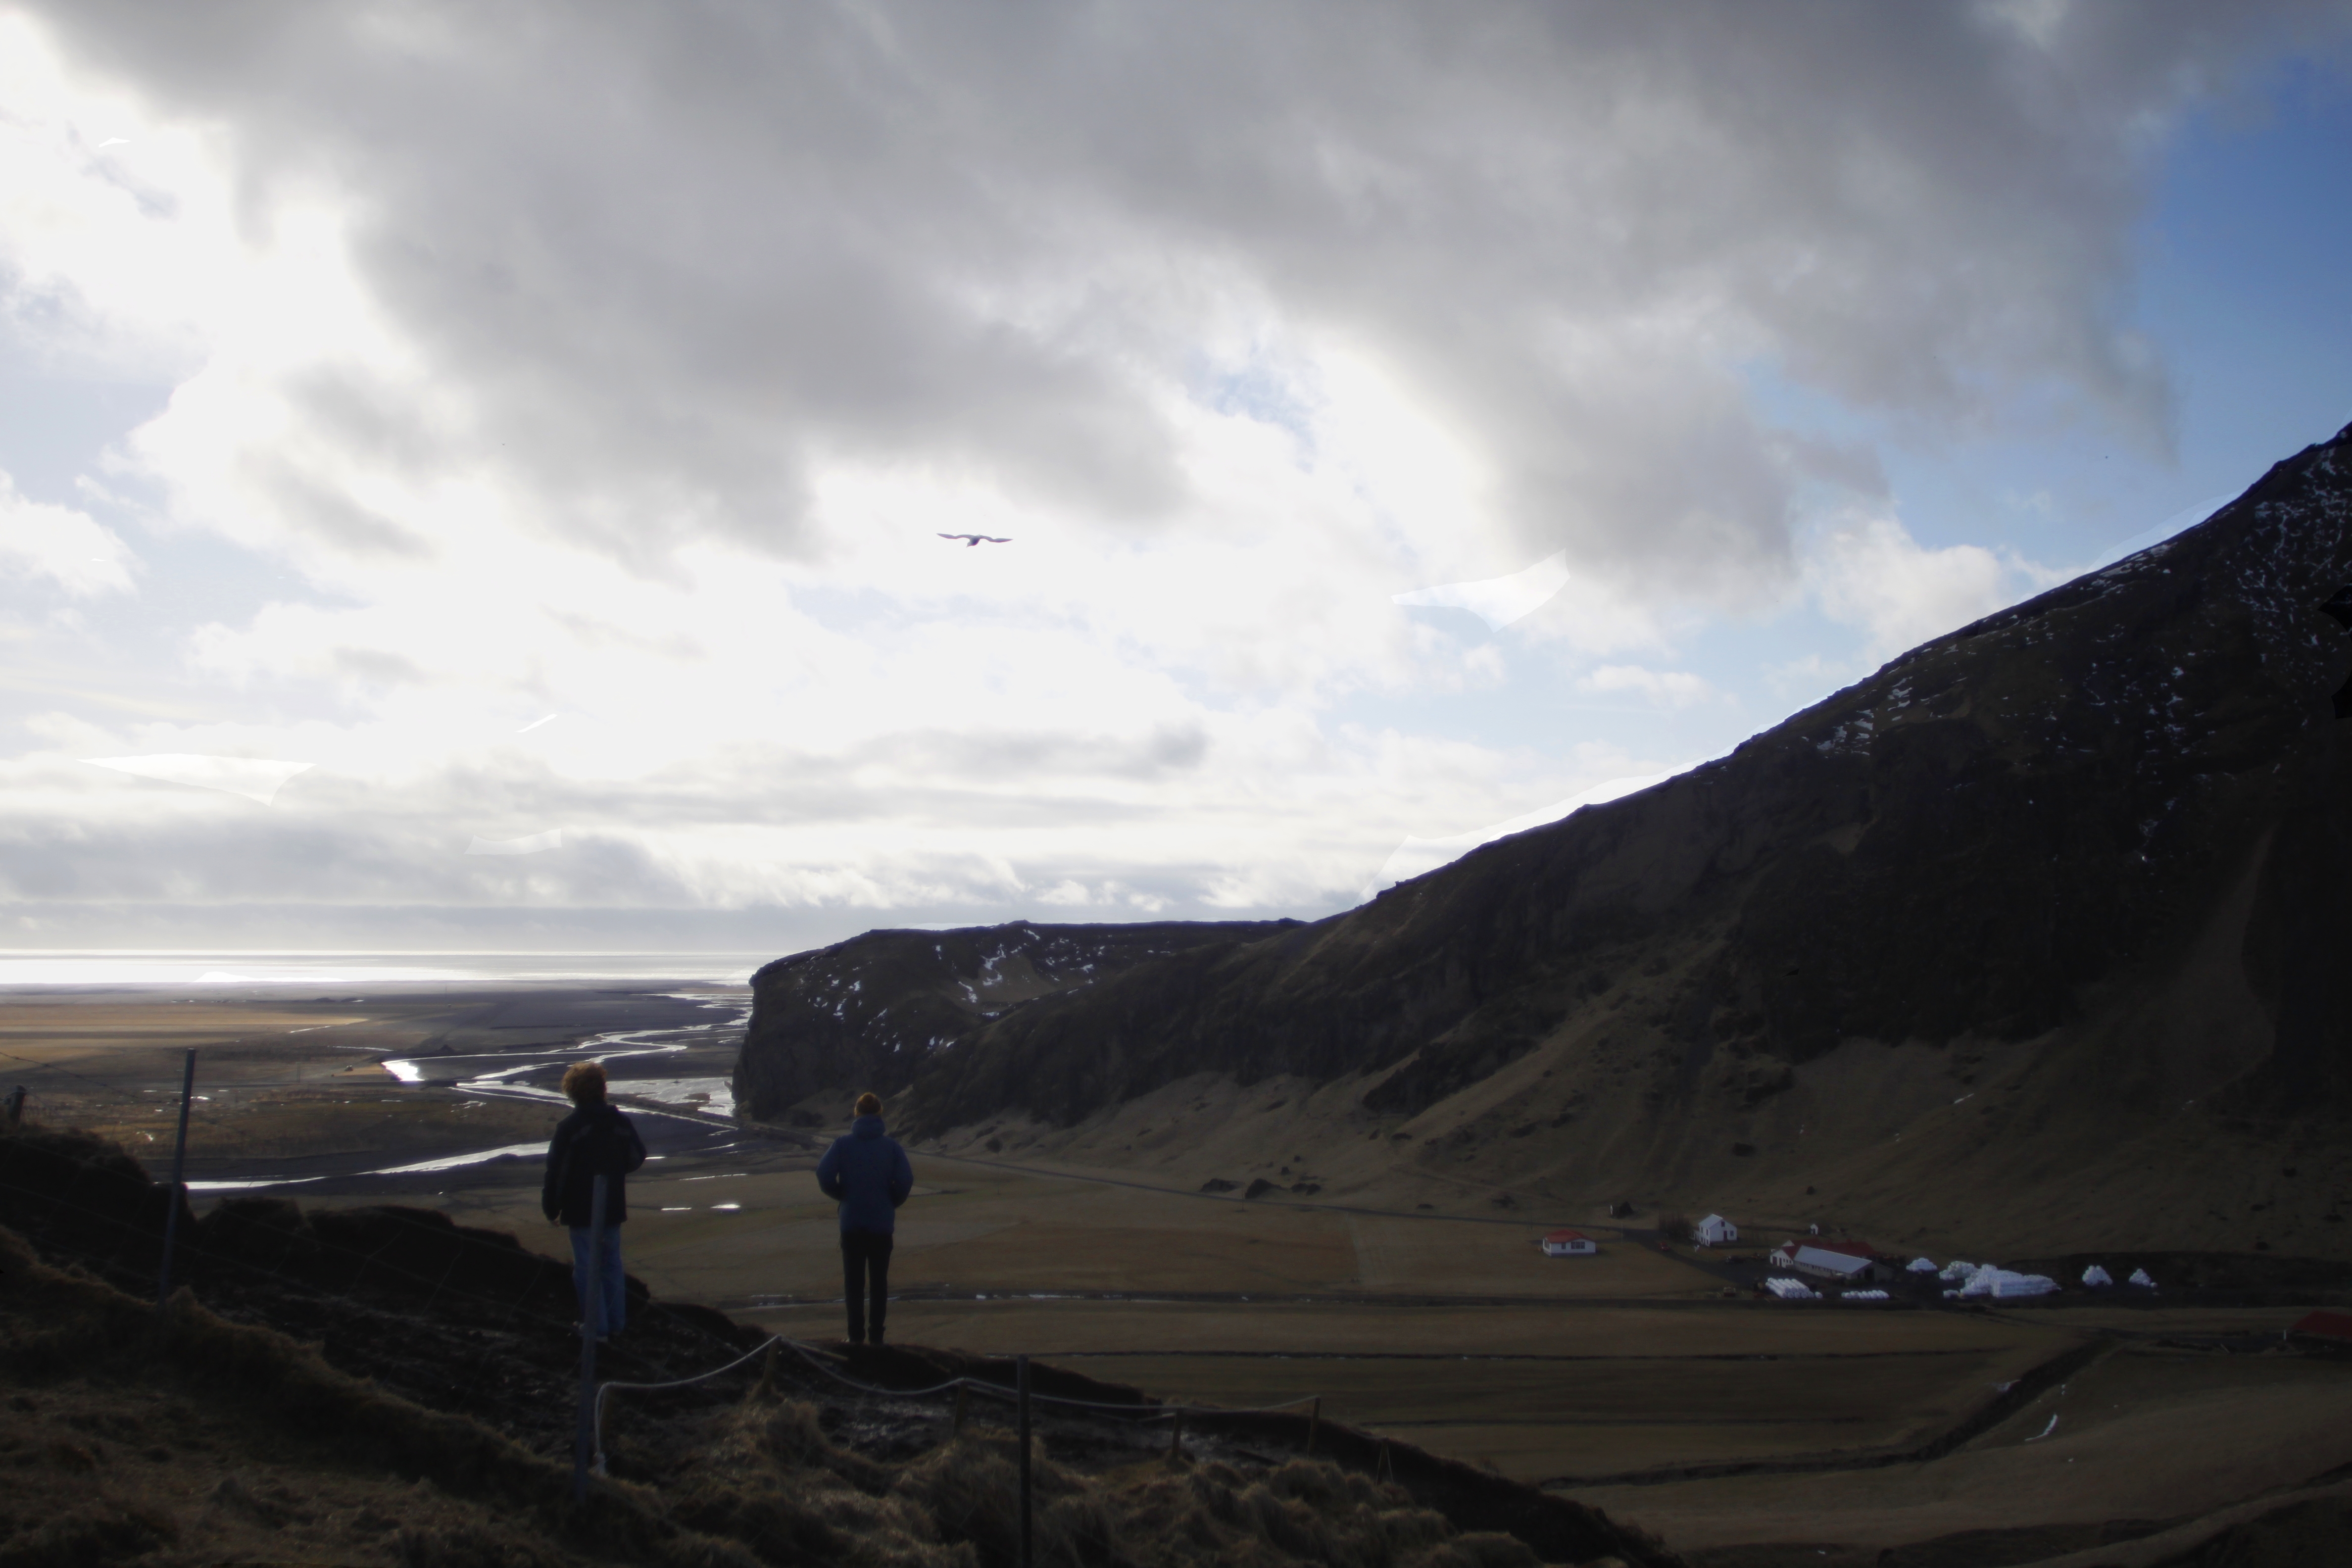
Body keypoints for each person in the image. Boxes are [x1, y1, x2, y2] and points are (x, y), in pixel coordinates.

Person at [541, 1060, 647, 1341]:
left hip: (580, 1209)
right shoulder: (620, 1122)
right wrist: (614, 1172)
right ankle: (615, 1324)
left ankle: (596, 1329)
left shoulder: (571, 1128)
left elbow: (558, 1172)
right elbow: (636, 1157)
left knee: (587, 1269)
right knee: (611, 1265)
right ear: (602, 1088)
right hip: (612, 1204)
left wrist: (551, 1207)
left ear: (573, 1091)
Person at [816, 1090, 913, 1345]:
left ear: (857, 1113)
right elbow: (905, 1181)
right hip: (881, 1225)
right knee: (879, 1283)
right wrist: (891, 1202)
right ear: (880, 1113)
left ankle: (855, 1338)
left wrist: (842, 1195)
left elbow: (823, 1174)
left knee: (854, 1284)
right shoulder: (892, 1147)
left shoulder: (842, 1144)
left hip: (852, 1224)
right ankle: (877, 1338)